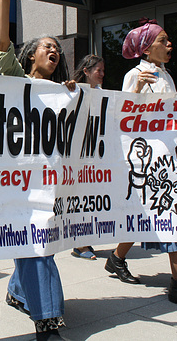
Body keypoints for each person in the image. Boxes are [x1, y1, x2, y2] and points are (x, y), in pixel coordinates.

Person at [0, 0, 75, 341]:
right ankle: (47, 322)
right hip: (17, 180)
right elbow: (3, 42)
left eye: (57, 49)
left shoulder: (63, 90)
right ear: (30, 57)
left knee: (38, 243)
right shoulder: (15, 80)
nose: (53, 52)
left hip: (50, 181)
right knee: (36, 244)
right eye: (47, 47)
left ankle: (18, 291)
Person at [104, 18, 177, 313]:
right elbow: (123, 116)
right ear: (146, 47)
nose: (169, 45)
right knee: (170, 213)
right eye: (163, 40)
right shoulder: (134, 75)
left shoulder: (165, 75)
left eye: (168, 40)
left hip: (169, 156)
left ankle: (116, 258)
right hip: (151, 159)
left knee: (152, 214)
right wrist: (137, 90)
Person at [70, 54, 105, 260]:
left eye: (102, 70)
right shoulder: (74, 91)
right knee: (79, 197)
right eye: (98, 70)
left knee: (90, 198)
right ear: (86, 72)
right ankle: (80, 245)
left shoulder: (103, 93)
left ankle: (84, 240)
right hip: (77, 153)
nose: (101, 74)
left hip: (95, 152)